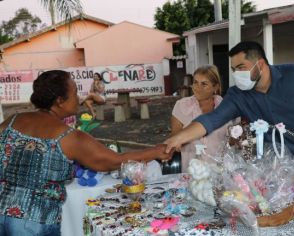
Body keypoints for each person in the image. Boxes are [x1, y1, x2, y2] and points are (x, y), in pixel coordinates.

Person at [165, 41, 294, 236]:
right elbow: (211, 119)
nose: (237, 74)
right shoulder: (238, 95)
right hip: (278, 170)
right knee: (282, 217)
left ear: (260, 64)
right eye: (234, 69)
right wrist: (179, 137)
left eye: (241, 67)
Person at [0, 70, 172, 236]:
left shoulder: (11, 120)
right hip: (33, 223)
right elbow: (114, 160)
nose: (79, 97)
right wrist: (155, 151)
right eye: (75, 92)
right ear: (60, 100)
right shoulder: (68, 137)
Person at [171, 65, 232, 172]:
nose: (197, 88)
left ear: (215, 87)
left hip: (222, 172)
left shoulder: (227, 107)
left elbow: (234, 138)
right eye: (195, 82)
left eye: (204, 84)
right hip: (192, 173)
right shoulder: (181, 106)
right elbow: (176, 139)